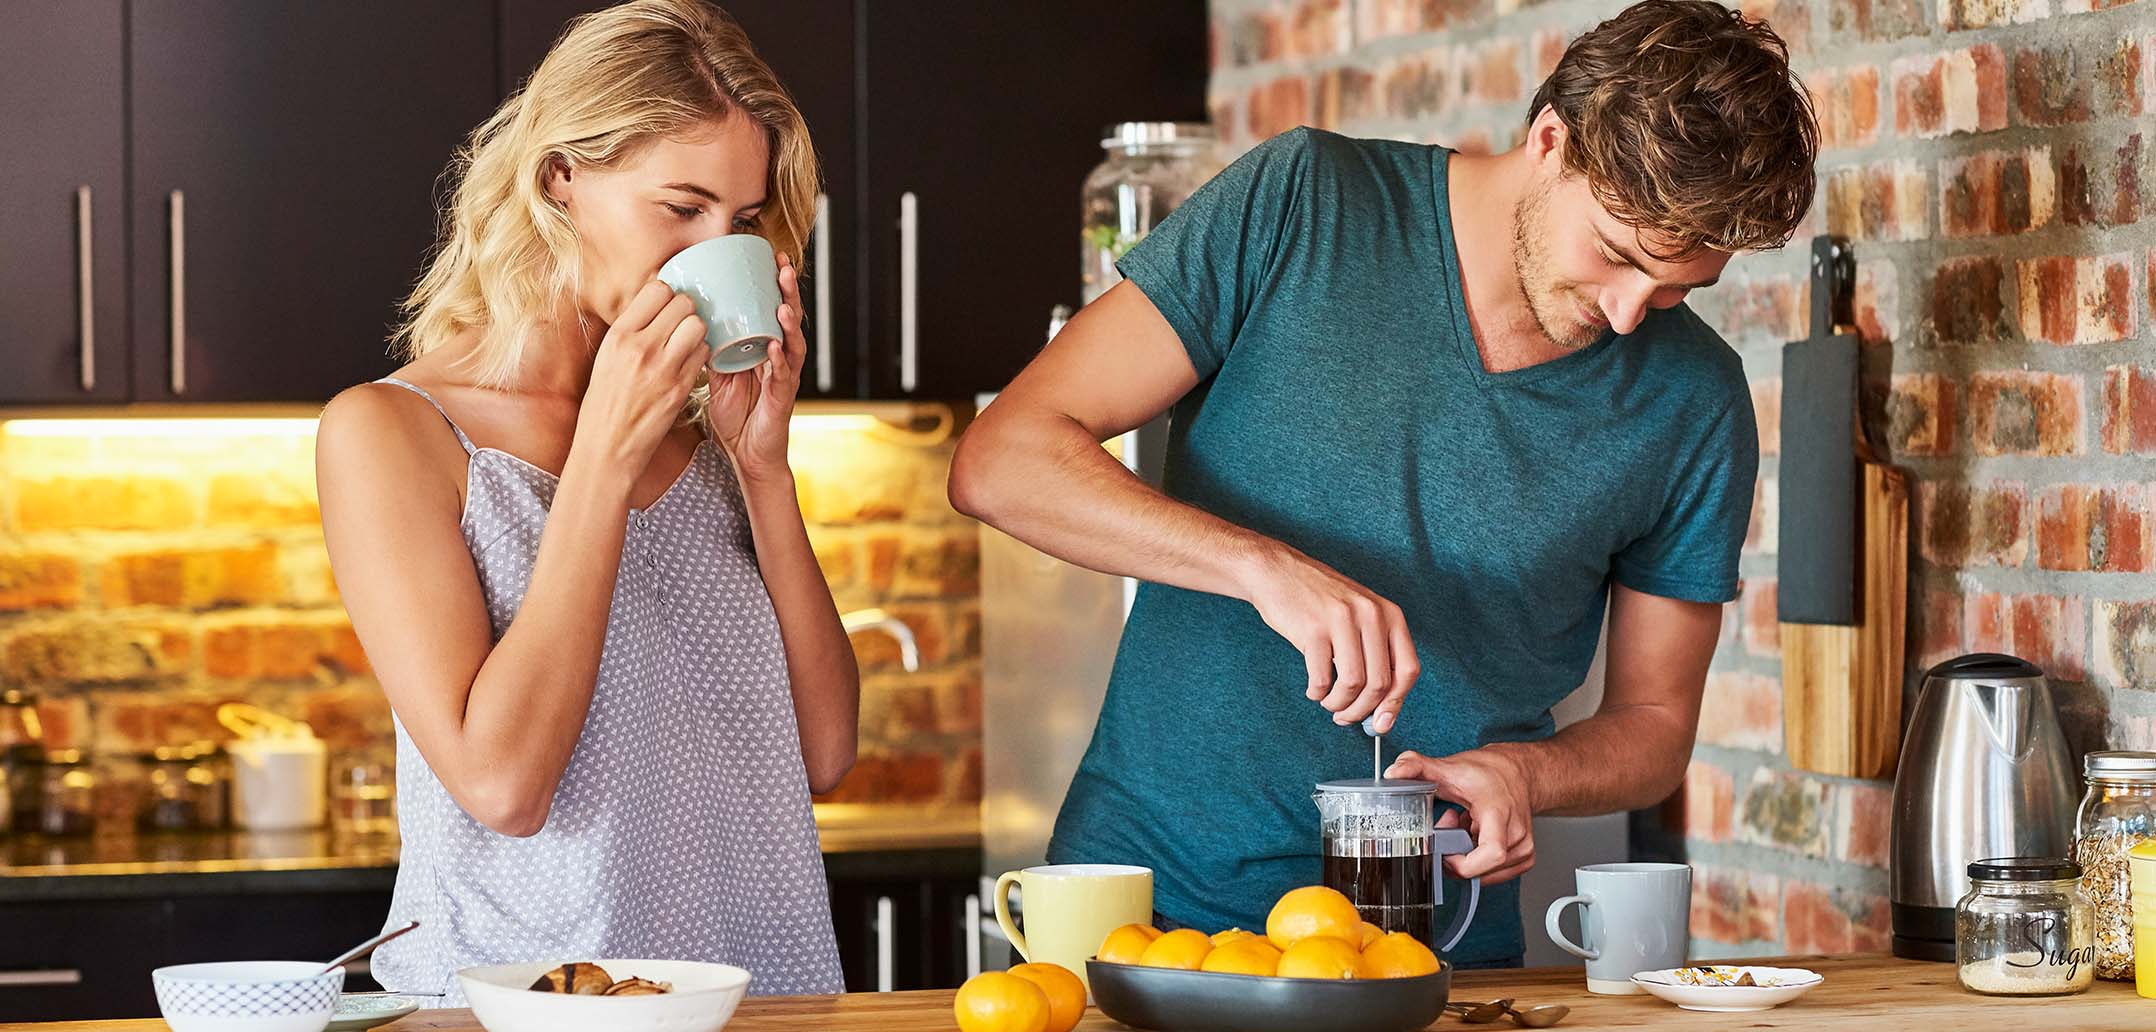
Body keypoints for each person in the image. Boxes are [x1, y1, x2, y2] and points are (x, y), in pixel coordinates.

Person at [948, 0, 1816, 967]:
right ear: (1550, 140)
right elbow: (1000, 459)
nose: (1626, 317)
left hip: (1425, 952)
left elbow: (1654, 728)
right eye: (1615, 255)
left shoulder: (1694, 402)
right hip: (1146, 917)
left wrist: (1526, 774)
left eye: (1674, 290)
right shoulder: (1306, 203)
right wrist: (1263, 568)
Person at [315, 0, 852, 1002]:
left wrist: (766, 471)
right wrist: (602, 455)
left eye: (736, 222)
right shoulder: (392, 433)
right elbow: (503, 787)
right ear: (560, 177)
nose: (708, 248)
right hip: (521, 1006)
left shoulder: (714, 441)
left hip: (755, 998)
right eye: (680, 207)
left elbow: (824, 753)